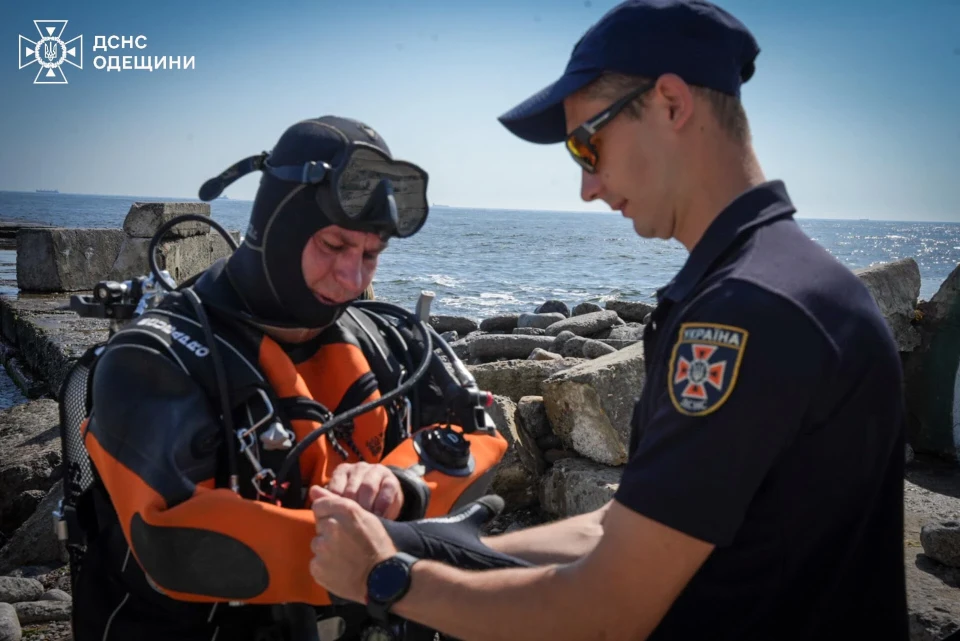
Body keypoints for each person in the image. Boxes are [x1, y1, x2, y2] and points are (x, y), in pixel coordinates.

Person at [305, 2, 909, 640]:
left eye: (585, 144)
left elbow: (606, 611)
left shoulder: (747, 313)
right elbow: (619, 527)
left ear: (672, 104)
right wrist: (431, 544)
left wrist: (387, 577)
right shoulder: (790, 282)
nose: (586, 187)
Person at [62, 116, 509, 641]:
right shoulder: (150, 358)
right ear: (277, 229)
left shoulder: (386, 337)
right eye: (334, 246)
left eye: (370, 255)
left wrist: (402, 485)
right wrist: (385, 553)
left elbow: (485, 438)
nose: (353, 278)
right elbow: (172, 542)